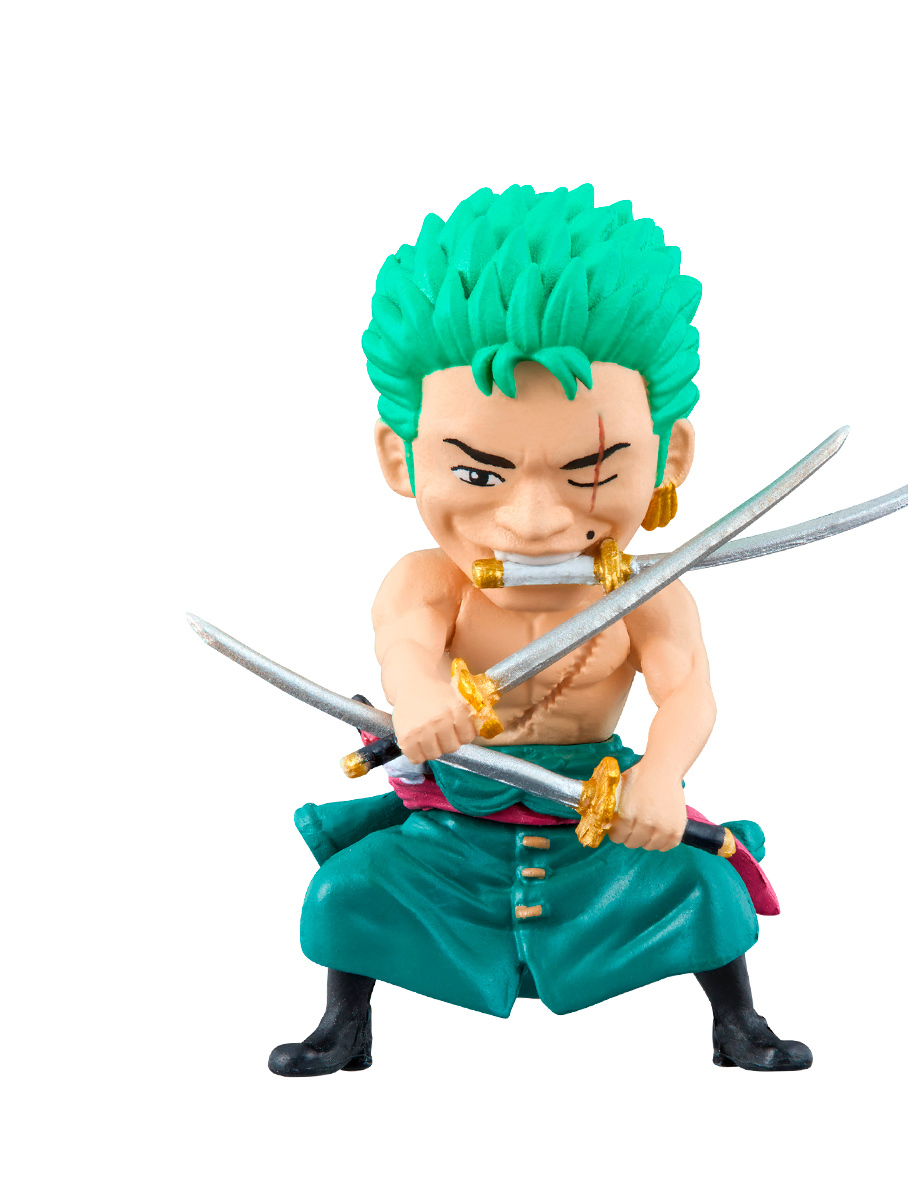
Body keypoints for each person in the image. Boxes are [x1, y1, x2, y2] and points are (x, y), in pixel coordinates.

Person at [269, 185, 811, 1075]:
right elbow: (405, 643)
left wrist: (660, 777)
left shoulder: (649, 594)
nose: (532, 521)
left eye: (588, 473)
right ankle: (345, 1022)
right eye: (480, 475)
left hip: (599, 824)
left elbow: (688, 692)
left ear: (669, 456)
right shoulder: (429, 579)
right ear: (399, 456)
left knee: (707, 885)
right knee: (349, 891)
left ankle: (737, 1020)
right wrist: (421, 697)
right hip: (451, 830)